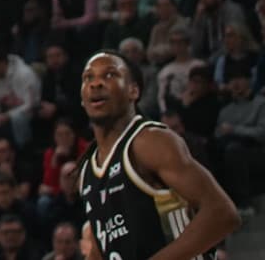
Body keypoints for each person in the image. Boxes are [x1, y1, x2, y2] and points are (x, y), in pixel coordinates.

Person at [73, 52, 238, 260]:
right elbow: (103, 246)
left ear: (133, 91)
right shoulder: (88, 170)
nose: (96, 83)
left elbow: (222, 213)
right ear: (81, 98)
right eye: (88, 77)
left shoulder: (150, 142)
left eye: (110, 75)